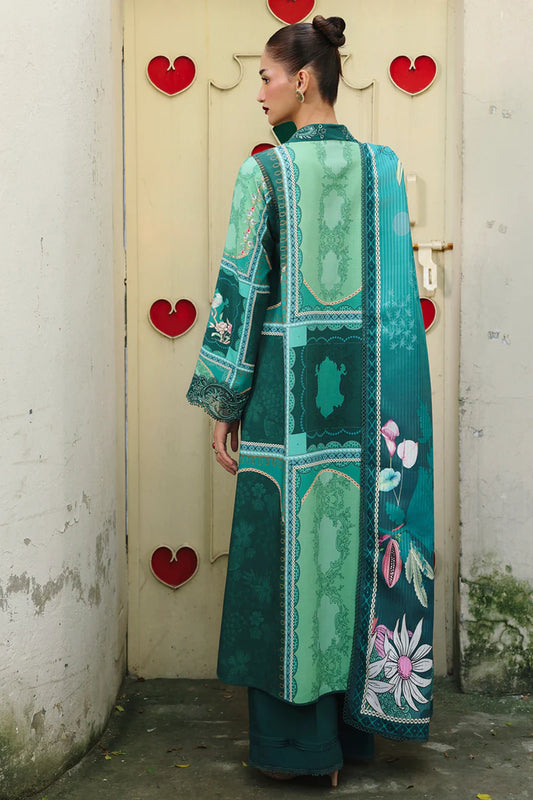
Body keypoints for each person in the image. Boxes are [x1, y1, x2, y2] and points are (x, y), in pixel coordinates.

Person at [187, 15, 434, 786]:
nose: (258, 92)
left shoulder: (265, 174)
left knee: (291, 553)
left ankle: (299, 751)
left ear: (300, 79)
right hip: (372, 410)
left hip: (286, 407)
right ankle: (354, 739)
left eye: (264, 77)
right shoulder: (383, 167)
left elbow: (241, 291)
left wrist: (225, 400)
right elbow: (396, 296)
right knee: (358, 542)